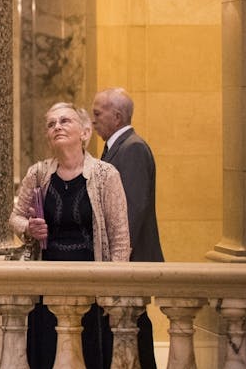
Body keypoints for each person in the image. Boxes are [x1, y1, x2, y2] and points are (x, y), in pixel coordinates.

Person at [10, 102, 131, 369]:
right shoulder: (38, 173)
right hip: (47, 281)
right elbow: (15, 218)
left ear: (85, 132)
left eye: (65, 121)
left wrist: (115, 288)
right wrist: (29, 228)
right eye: (51, 124)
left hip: (92, 282)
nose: (57, 127)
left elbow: (120, 237)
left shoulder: (105, 175)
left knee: (88, 353)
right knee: (47, 352)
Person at [91, 87, 162, 368]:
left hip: (130, 260)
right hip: (125, 260)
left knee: (135, 325)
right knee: (130, 326)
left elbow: (133, 209)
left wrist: (118, 259)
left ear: (117, 116)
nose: (94, 120)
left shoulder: (133, 148)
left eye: (98, 113)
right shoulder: (118, 148)